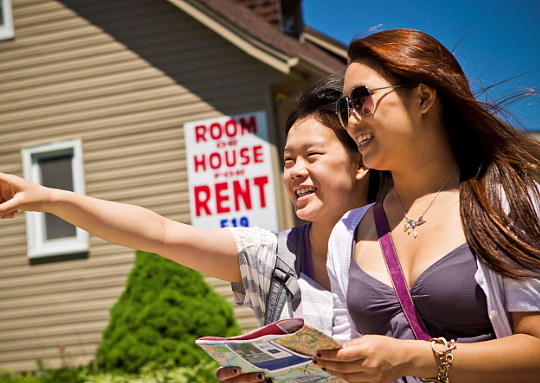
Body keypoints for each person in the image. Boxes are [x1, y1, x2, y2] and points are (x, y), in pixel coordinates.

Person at [0, 75, 375, 383]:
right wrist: (47, 198)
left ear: (360, 163)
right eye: (288, 159)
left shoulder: (407, 243)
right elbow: (160, 234)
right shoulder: (271, 257)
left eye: (312, 156)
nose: (294, 171)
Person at [312, 29, 540, 383]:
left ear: (423, 97)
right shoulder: (347, 233)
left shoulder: (506, 201)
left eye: (361, 98)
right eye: (344, 108)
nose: (352, 118)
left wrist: (416, 358)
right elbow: (348, 368)